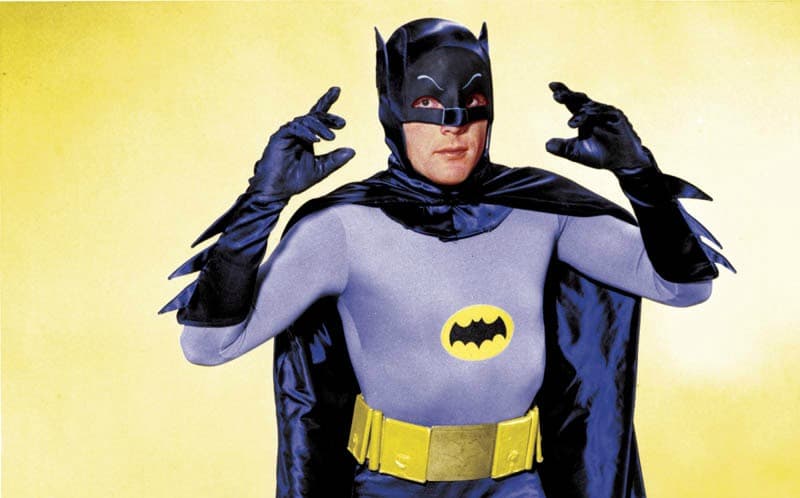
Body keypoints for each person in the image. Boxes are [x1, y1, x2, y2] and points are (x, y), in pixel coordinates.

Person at [161, 18, 732, 498]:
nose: (454, 127)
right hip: (389, 486)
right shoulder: (342, 229)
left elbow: (684, 287)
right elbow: (208, 346)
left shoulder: (540, 211)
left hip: (517, 486)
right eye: (429, 104)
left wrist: (639, 176)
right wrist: (262, 203)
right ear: (394, 111)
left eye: (472, 104)